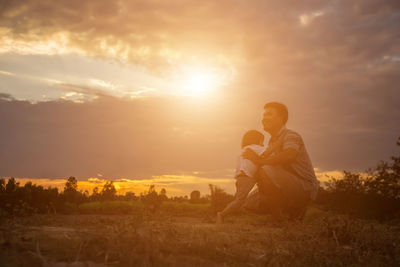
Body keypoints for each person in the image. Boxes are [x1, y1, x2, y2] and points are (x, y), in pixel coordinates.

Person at [242, 102, 319, 221]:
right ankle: (291, 212)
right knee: (249, 203)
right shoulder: (272, 142)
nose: (264, 119)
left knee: (265, 169)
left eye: (269, 114)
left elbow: (289, 155)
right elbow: (264, 163)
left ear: (281, 118)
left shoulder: (291, 135)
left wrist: (259, 161)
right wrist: (252, 158)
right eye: (263, 115)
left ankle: (278, 218)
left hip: (305, 187)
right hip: (286, 183)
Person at [217, 129, 282, 224]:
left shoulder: (245, 149)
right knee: (239, 201)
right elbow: (267, 152)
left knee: (239, 199)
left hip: (242, 177)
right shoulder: (254, 147)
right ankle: (222, 214)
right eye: (262, 141)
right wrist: (278, 144)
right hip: (246, 177)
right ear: (256, 140)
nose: (263, 144)